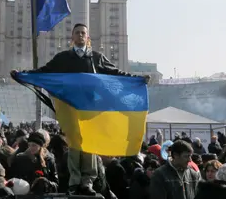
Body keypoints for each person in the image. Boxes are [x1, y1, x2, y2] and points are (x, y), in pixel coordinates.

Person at [10, 23, 149, 195]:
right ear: (72, 37)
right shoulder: (63, 58)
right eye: (77, 33)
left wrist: (137, 79)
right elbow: (44, 72)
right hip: (69, 106)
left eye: (84, 33)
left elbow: (116, 73)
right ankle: (74, 182)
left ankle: (87, 182)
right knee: (75, 144)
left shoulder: (96, 58)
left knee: (89, 144)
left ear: (88, 38)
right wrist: (23, 74)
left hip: (90, 109)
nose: (81, 35)